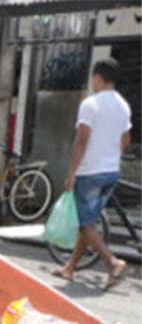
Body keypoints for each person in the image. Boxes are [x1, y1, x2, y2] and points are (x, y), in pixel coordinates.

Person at [55, 58, 131, 289]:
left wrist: (71, 173)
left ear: (98, 77)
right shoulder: (123, 105)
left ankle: (112, 262)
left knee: (84, 224)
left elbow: (81, 141)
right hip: (111, 171)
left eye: (92, 78)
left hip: (90, 172)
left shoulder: (90, 104)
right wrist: (110, 154)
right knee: (87, 223)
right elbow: (125, 141)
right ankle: (70, 268)